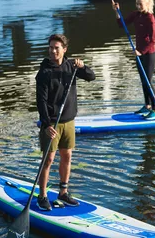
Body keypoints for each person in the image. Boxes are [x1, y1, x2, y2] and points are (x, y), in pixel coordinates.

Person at [36, 34, 95, 211]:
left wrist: (83, 66)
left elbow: (91, 77)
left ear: (64, 49)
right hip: (51, 124)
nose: (53, 51)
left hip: (69, 120)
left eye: (57, 48)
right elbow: (41, 101)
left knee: (67, 156)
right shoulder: (44, 72)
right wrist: (46, 125)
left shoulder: (72, 66)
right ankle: (42, 196)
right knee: (49, 159)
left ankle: (63, 192)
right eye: (51, 48)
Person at [112, 0, 155, 120]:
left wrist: (141, 51)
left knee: (148, 81)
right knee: (143, 81)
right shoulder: (136, 15)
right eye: (137, 4)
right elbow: (121, 24)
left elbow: (152, 40)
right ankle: (147, 105)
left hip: (149, 53)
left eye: (141, 4)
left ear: (147, 4)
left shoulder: (150, 18)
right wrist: (117, 11)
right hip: (139, 52)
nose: (138, 6)